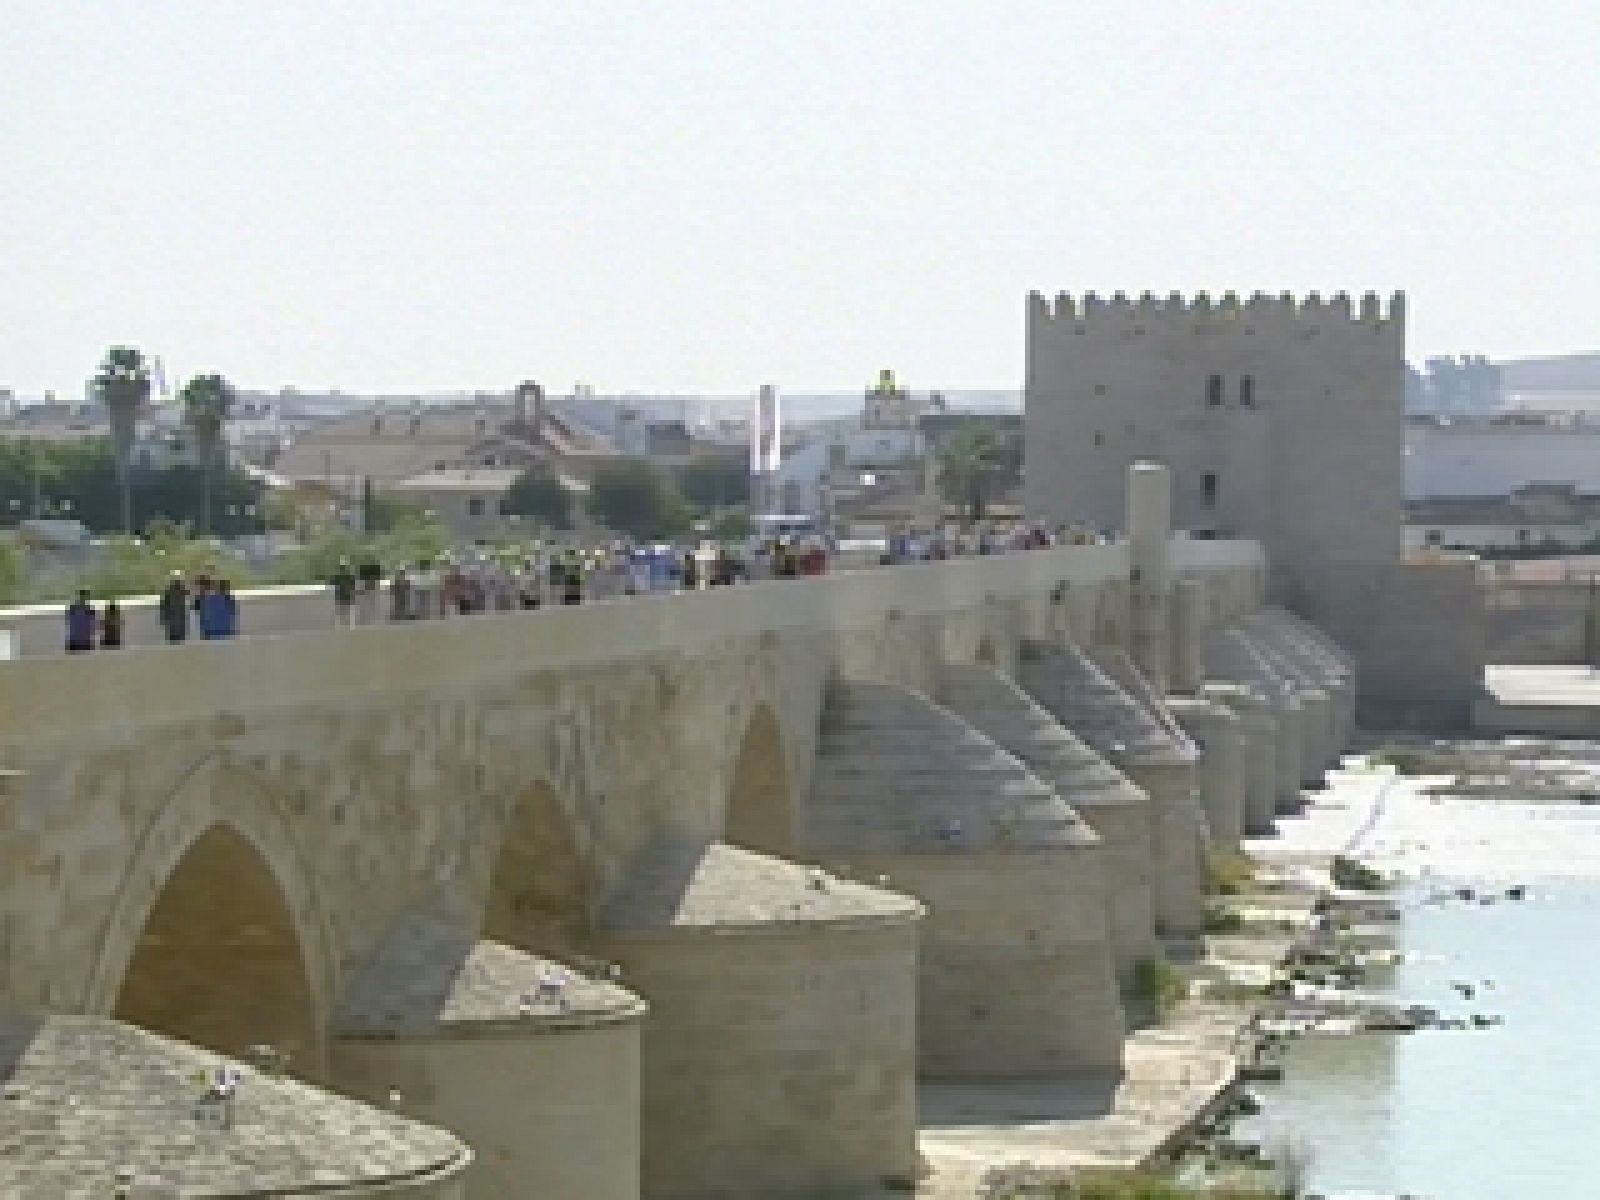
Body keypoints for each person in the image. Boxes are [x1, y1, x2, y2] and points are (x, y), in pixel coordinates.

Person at [158, 571, 190, 643]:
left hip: (175, 617)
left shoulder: (171, 593)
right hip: (177, 617)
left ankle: (176, 637)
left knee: (175, 630)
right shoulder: (182, 592)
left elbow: (164, 606)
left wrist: (163, 617)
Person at [331, 558, 358, 628]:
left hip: (342, 596)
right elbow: (353, 586)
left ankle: (340, 624)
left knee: (341, 611)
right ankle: (350, 624)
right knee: (348, 611)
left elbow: (334, 586)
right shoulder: (350, 576)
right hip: (347, 596)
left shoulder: (338, 577)